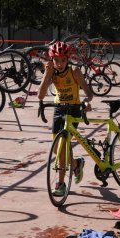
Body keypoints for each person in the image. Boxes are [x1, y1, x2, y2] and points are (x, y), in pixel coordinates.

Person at [38, 41, 93, 196]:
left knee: (62, 149)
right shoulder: (51, 72)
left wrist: (86, 103)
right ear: (51, 60)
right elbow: (40, 95)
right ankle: (76, 164)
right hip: (59, 108)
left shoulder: (74, 71)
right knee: (57, 149)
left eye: (63, 60)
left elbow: (89, 93)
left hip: (74, 109)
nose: (60, 64)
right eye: (56, 60)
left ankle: (61, 184)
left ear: (68, 59)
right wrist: (46, 74)